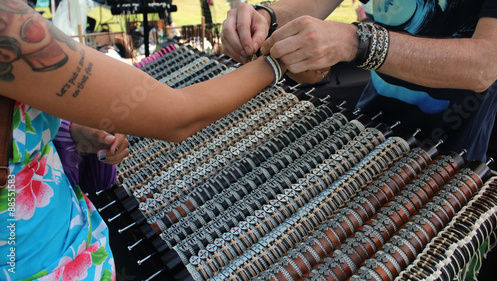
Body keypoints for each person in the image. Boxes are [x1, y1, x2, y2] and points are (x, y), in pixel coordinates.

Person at [0, 0, 324, 279]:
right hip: (36, 260)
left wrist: (66, 132)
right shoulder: (8, 27)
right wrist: (281, 61)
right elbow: (178, 115)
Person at [221, 0, 497, 162]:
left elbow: (485, 64)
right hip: (369, 133)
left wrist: (356, 42)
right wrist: (267, 14)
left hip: (450, 158)